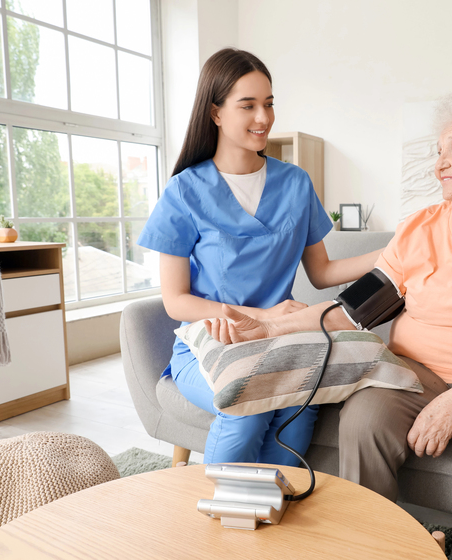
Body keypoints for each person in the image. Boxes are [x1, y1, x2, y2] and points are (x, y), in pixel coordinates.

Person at [204, 82, 452, 560]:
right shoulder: (420, 229)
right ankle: (381, 549)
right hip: (417, 372)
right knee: (364, 420)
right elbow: (354, 309)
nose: (438, 163)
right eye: (438, 150)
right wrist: (272, 327)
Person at [137, 48, 380, 467]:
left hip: (280, 340)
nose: (263, 118)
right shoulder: (184, 191)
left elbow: (322, 272)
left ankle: (269, 516)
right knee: (247, 409)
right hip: (210, 342)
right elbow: (176, 301)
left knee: (299, 408)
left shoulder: (295, 183)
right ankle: (221, 522)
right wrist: (263, 317)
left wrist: (394, 252)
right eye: (247, 105)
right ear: (215, 113)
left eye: (268, 104)